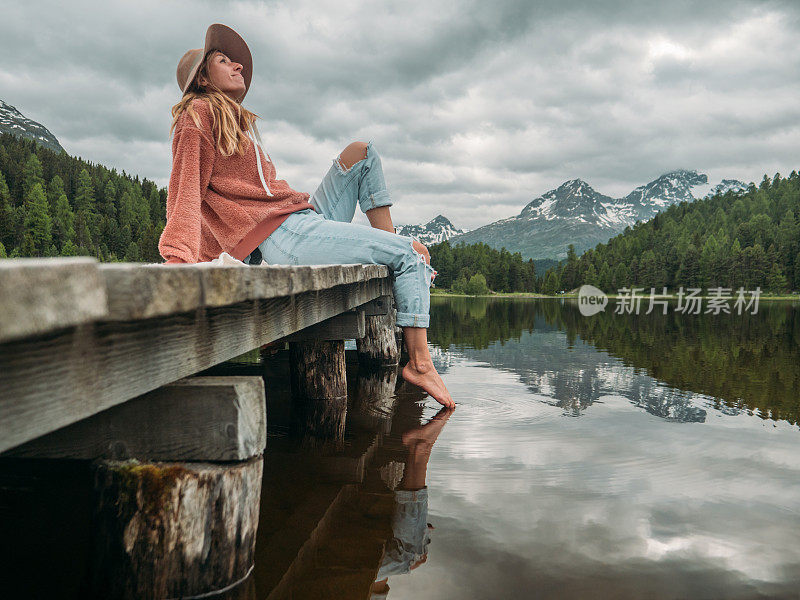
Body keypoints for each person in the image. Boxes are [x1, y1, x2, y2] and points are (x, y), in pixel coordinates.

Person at [159, 24, 454, 408]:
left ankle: (392, 254)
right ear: (202, 77)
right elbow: (185, 194)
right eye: (223, 60)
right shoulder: (197, 116)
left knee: (362, 152)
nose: (238, 67)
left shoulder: (235, 125)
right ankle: (419, 363)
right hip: (283, 236)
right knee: (410, 254)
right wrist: (179, 260)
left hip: (300, 218)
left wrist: (390, 244)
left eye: (237, 62)